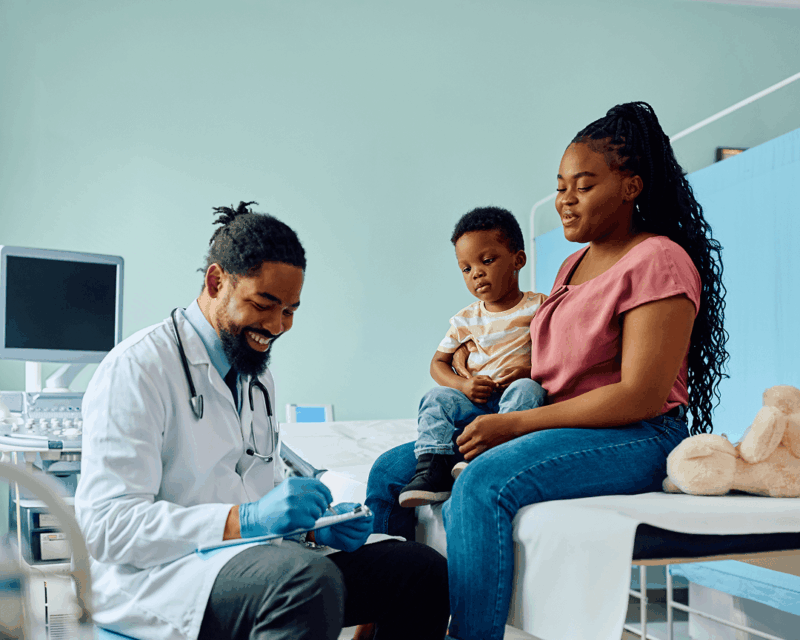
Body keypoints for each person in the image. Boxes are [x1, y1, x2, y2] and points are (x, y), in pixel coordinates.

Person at [365, 102, 729, 640]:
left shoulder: (658, 259)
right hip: (550, 419)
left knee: (482, 485)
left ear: (631, 187)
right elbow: (552, 358)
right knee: (390, 473)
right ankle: (393, 629)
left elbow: (642, 395)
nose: (564, 200)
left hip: (635, 432)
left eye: (582, 185)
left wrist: (511, 427)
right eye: (560, 186)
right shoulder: (571, 264)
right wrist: (471, 369)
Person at [75, 202, 449, 640]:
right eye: (264, 304)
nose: (277, 325)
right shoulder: (138, 368)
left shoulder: (257, 376)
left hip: (256, 560)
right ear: (216, 282)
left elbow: (260, 492)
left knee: (418, 569)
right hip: (161, 577)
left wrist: (318, 527)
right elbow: (107, 527)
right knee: (305, 582)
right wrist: (247, 519)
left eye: (290, 310)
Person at [398, 207, 547, 507]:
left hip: (513, 403)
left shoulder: (539, 306)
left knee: (527, 390)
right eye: (465, 269)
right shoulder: (465, 319)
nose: (476, 272)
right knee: (436, 398)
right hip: (475, 400)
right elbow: (437, 364)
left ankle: (489, 459)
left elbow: (556, 353)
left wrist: (528, 369)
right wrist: (463, 386)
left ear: (518, 260)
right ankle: (433, 467)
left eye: (487, 261)